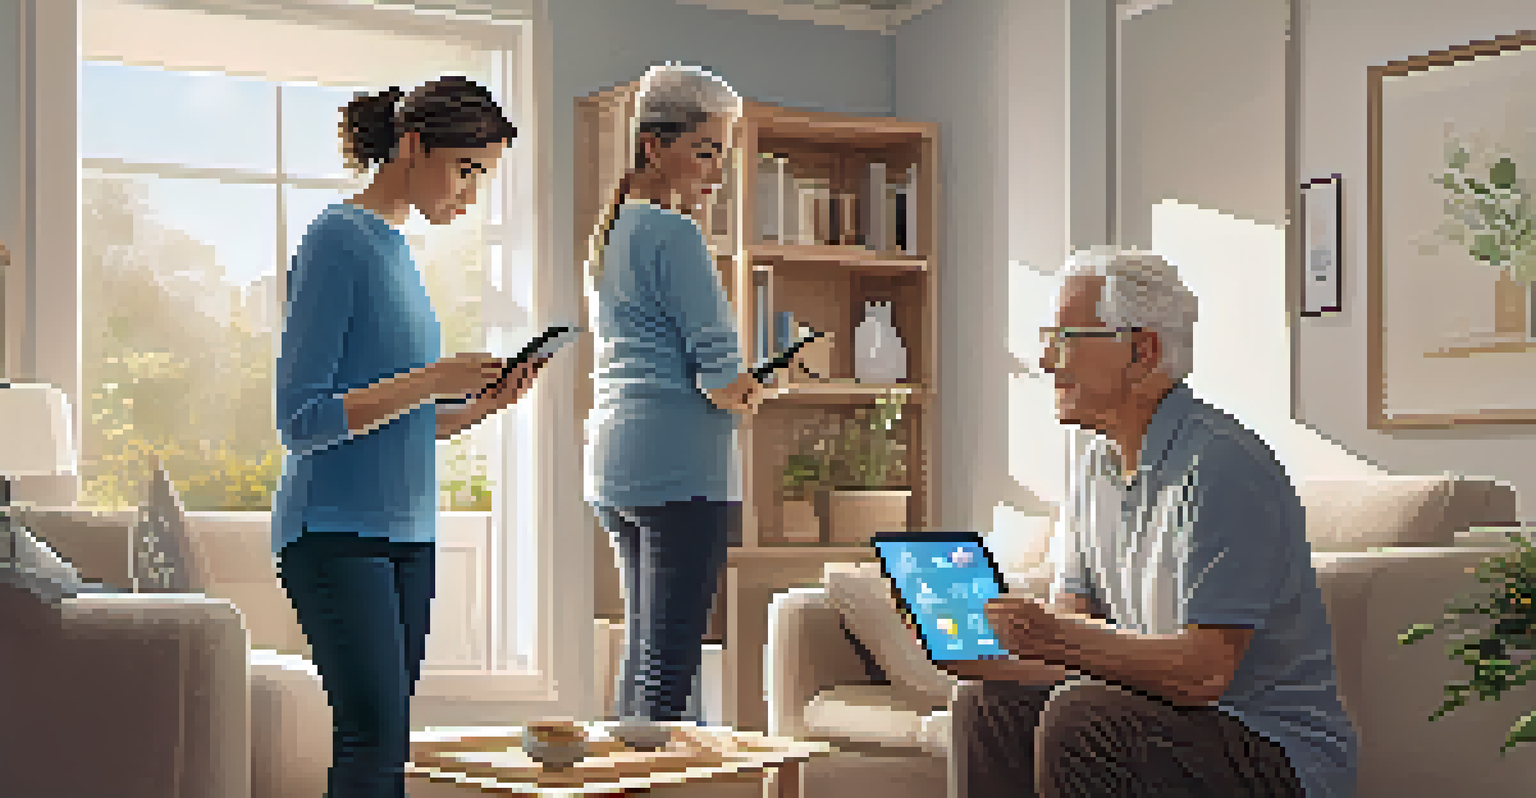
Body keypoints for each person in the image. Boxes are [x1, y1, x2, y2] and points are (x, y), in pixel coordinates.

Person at [946, 246, 1358, 798]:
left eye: (1065, 339)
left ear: (1142, 352)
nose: (1047, 361)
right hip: (1160, 716)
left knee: (1083, 719)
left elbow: (1204, 673)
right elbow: (1073, 639)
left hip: (1272, 752)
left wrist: (1051, 636)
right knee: (988, 703)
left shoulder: (1222, 465)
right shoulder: (1095, 465)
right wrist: (972, 651)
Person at [272, 76, 539, 798]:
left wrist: (481, 406)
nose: (471, 194)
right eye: (467, 170)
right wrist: (432, 378)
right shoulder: (336, 240)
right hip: (332, 531)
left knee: (388, 747)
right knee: (372, 741)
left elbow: (401, 425)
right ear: (413, 146)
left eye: (482, 177)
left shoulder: (398, 253)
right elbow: (301, 420)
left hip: (406, 533)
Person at [584, 63, 816, 724]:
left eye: (723, 152)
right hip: (680, 470)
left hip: (616, 468)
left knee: (644, 657)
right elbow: (721, 382)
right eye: (704, 150)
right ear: (654, 146)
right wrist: (758, 388)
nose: (716, 170)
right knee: (670, 666)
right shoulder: (678, 235)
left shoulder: (612, 233)